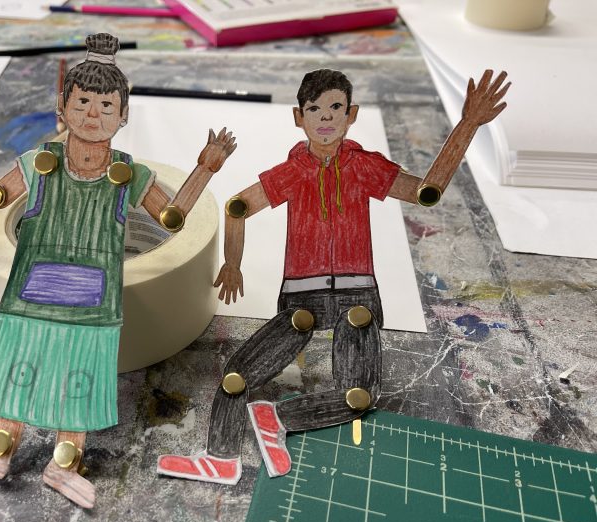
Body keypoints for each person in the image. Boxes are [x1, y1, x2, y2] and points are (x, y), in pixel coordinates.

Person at [0, 33, 236, 508]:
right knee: (17, 369)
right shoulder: (39, 164)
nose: (93, 113)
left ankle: (64, 465)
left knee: (77, 377)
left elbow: (172, 218)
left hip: (93, 298)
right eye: (82, 101)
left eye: (106, 104)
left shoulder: (131, 174)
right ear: (62, 108)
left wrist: (205, 169)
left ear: (123, 115)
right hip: (31, 291)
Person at [157, 68, 509, 485]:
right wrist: (233, 262)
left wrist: (468, 124)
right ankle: (220, 456)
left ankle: (277, 417)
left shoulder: (364, 167)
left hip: (356, 294)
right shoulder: (292, 171)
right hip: (301, 297)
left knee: (358, 396)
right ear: (298, 117)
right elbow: (237, 207)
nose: (325, 117)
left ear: (352, 114)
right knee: (238, 375)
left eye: (335, 108)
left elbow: (426, 192)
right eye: (314, 109)